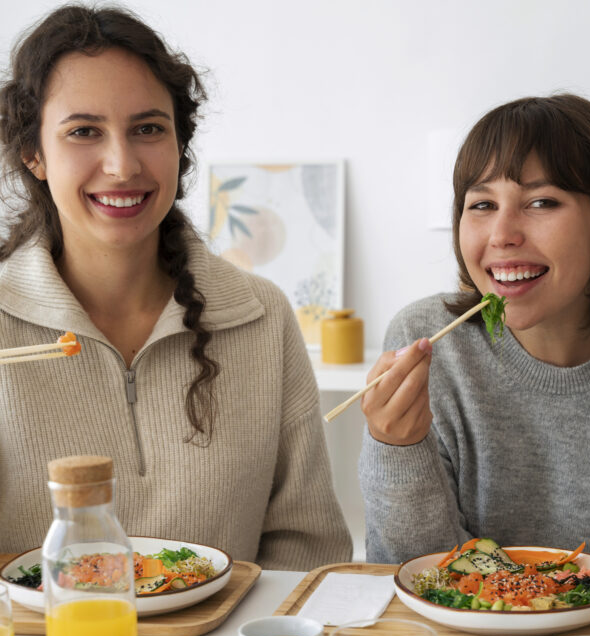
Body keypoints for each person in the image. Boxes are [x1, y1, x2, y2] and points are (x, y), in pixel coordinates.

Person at [0, 5, 352, 570]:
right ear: (33, 153)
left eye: (147, 129)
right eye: (84, 131)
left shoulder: (262, 315)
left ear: (179, 146)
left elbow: (307, 552)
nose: (121, 165)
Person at [358, 94, 590, 584]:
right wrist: (397, 446)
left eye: (541, 202)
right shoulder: (425, 341)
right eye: (482, 204)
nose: (502, 233)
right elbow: (410, 575)